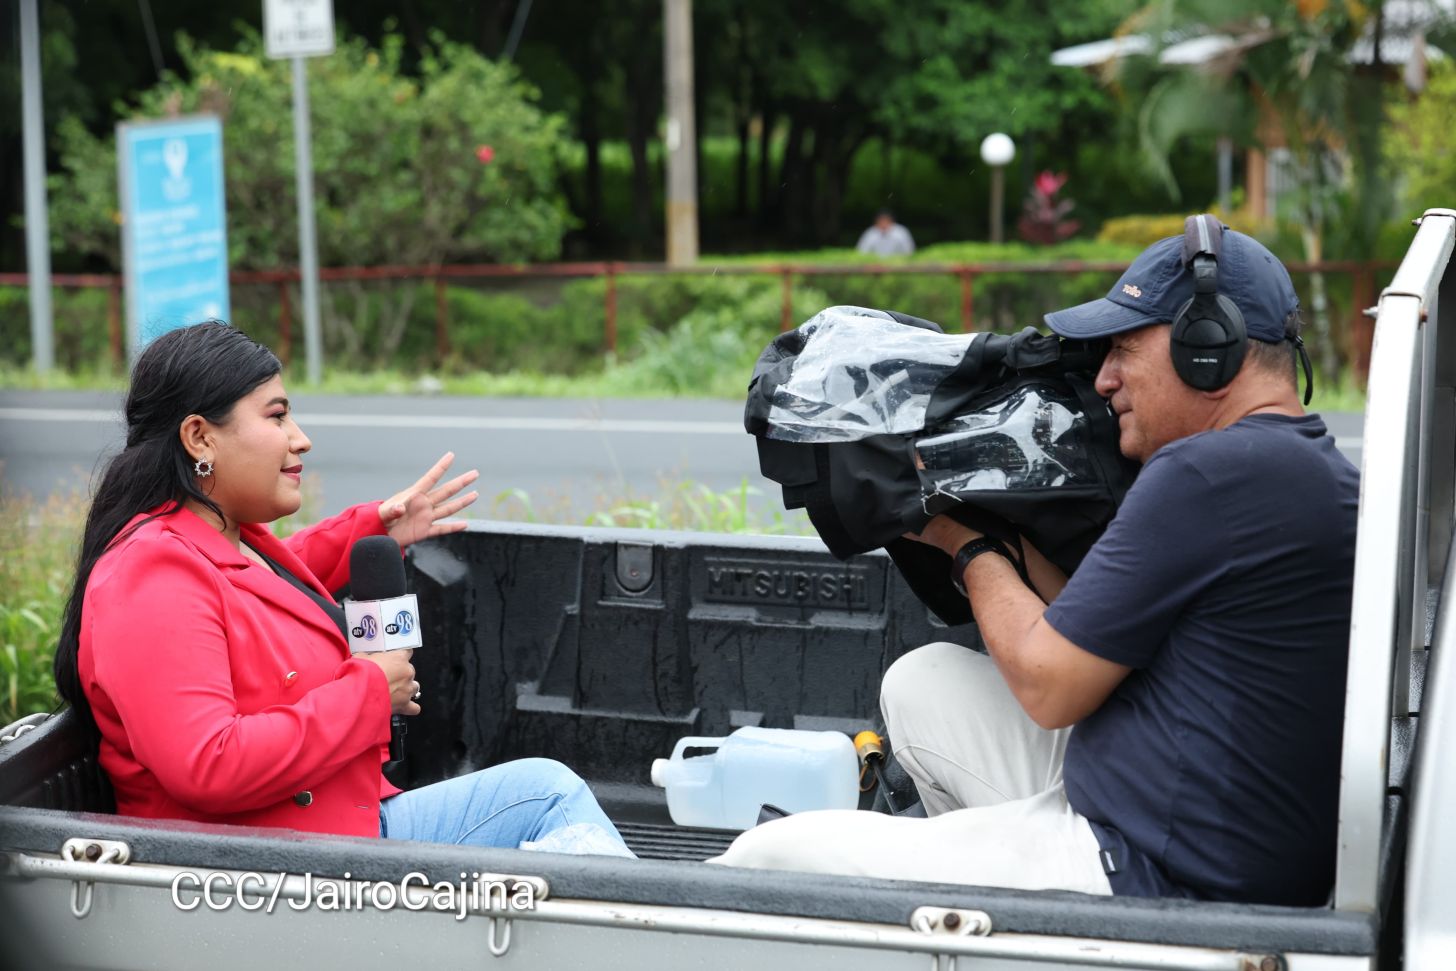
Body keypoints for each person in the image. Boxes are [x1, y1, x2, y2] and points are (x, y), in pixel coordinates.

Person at [712, 217, 1357, 906]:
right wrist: (980, 521)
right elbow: (1088, 627)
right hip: (1198, 819)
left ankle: (997, 915)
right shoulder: (1303, 469)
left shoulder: (1204, 474)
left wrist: (967, 547)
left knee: (768, 855)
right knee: (921, 681)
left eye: (1123, 349)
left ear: (1206, 347)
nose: (1105, 379)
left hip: (1152, 870)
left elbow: (1050, 687)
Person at [53, 321, 633, 857]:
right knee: (552, 804)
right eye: (277, 417)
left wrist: (375, 528)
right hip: (269, 869)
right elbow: (209, 764)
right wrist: (371, 692)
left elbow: (255, 586)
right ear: (200, 437)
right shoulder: (150, 574)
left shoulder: (219, 540)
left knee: (549, 792)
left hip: (331, 827)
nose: (300, 439)